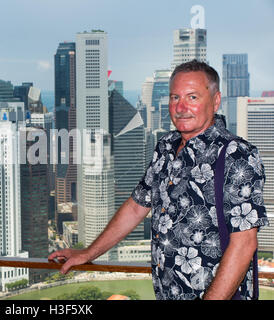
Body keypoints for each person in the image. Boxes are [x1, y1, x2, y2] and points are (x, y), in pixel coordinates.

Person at [49, 60, 269, 300]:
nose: (181, 107)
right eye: (175, 98)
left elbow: (244, 243)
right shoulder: (166, 146)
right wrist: (88, 253)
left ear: (216, 101)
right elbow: (136, 207)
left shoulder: (236, 154)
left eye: (192, 97)